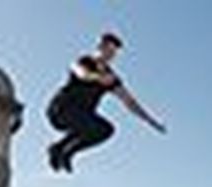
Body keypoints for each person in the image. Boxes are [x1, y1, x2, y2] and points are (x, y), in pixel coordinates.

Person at [46, 32, 166, 173]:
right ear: (100, 47)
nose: (110, 56)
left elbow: (130, 102)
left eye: (113, 53)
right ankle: (59, 149)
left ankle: (63, 150)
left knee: (105, 130)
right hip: (60, 110)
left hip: (81, 117)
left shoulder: (111, 77)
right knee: (86, 121)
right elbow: (81, 73)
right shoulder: (85, 61)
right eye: (108, 51)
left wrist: (151, 121)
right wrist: (97, 77)